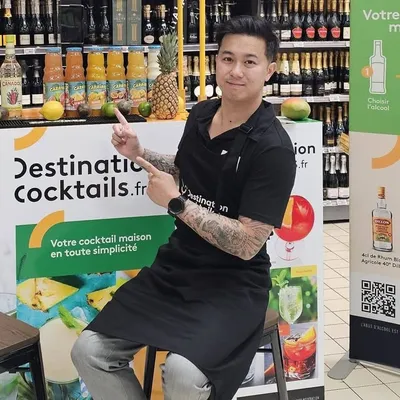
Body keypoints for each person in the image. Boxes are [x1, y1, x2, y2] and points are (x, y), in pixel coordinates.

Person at [71, 15, 296, 400]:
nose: (236, 71)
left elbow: (247, 244)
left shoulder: (272, 148)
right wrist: (140, 152)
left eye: (249, 62)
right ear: (215, 62)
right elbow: (184, 169)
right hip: (177, 268)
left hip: (233, 285)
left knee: (182, 374)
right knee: (89, 351)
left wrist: (177, 203)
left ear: (269, 71)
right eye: (227, 59)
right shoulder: (202, 114)